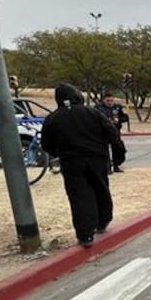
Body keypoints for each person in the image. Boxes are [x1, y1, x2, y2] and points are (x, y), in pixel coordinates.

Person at [41, 83, 127, 248]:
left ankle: (85, 234)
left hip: (71, 161)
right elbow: (112, 133)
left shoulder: (53, 118)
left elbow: (46, 144)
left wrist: (60, 152)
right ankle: (102, 221)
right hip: (97, 158)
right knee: (100, 189)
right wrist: (118, 156)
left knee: (79, 196)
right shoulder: (92, 113)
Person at [96, 92, 128, 171]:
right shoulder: (98, 108)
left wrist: (118, 120)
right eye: (108, 101)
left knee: (119, 149)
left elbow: (125, 118)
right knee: (104, 150)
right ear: (104, 100)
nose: (110, 102)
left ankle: (116, 165)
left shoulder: (117, 107)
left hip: (115, 131)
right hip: (103, 132)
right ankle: (107, 167)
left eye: (111, 100)